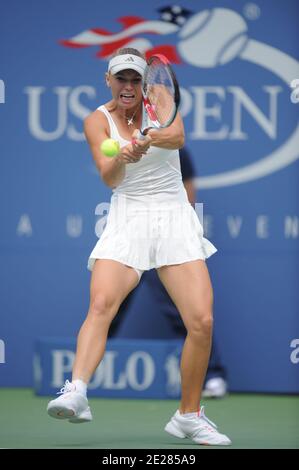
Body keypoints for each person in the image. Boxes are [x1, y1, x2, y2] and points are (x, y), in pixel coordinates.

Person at [47, 48, 231, 446]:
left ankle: (189, 415)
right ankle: (77, 390)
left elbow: (178, 135)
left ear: (144, 83)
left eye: (136, 80)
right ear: (108, 81)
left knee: (201, 322)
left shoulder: (159, 100)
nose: (129, 86)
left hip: (173, 215)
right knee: (101, 304)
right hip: (127, 217)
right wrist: (125, 156)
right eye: (122, 79)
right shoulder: (96, 120)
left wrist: (146, 137)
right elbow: (109, 177)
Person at [108, 147, 228, 399]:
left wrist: (176, 231)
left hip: (166, 241)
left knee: (189, 314)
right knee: (107, 307)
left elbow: (188, 188)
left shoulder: (176, 145)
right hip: (130, 238)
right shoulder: (125, 144)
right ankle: (79, 379)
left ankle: (213, 375)